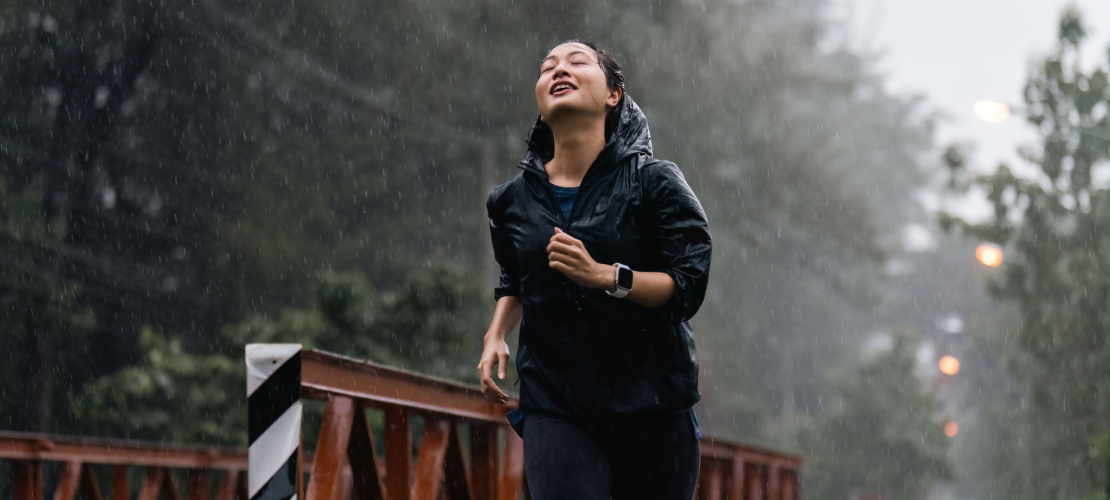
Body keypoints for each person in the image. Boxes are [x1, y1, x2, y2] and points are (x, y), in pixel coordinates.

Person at [478, 39, 712, 500]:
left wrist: (609, 277)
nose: (558, 70)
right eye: (548, 67)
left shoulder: (654, 183)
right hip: (556, 405)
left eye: (576, 62)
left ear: (613, 95)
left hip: (653, 405)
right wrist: (496, 333)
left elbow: (687, 286)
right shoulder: (510, 202)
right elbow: (516, 277)